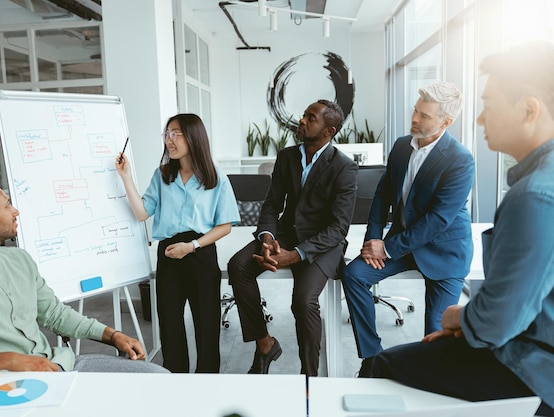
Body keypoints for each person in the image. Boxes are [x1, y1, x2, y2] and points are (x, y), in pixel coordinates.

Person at [369, 41, 554, 417]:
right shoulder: (539, 182)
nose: (481, 120)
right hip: (530, 342)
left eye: (488, 107)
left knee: (381, 368)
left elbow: (496, 322)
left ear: (529, 109)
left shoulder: (533, 196)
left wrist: (460, 318)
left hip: (534, 368)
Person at [0, 180, 167, 380]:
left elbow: (54, 314)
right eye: (7, 205)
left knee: (158, 378)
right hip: (4, 382)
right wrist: (9, 360)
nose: (15, 211)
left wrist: (112, 335)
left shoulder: (19, 259)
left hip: (57, 365)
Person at [341, 81, 475, 376]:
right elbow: (382, 194)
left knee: (434, 337)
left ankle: (431, 386)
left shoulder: (460, 160)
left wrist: (387, 248)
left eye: (424, 116)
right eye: (416, 110)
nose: (414, 118)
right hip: (402, 241)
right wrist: (374, 238)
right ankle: (372, 358)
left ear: (446, 122)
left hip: (444, 250)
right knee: (354, 275)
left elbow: (438, 220)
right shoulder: (402, 145)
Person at [228, 99, 358, 376]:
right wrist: (267, 237)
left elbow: (338, 228)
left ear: (328, 131)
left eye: (311, 118)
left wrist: (296, 254)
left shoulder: (343, 166)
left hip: (322, 244)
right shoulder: (287, 156)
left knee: (303, 301)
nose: (302, 121)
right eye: (303, 116)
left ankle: (310, 377)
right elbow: (273, 204)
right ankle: (265, 344)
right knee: (238, 265)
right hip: (285, 235)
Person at [116, 113, 239, 373]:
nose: (169, 140)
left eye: (175, 134)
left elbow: (225, 226)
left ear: (193, 137)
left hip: (200, 253)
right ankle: (175, 383)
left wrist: (192, 246)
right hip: (169, 255)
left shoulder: (216, 178)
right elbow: (141, 213)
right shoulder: (162, 176)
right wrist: (126, 177)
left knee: (206, 326)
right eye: (167, 134)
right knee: (170, 326)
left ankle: (207, 385)